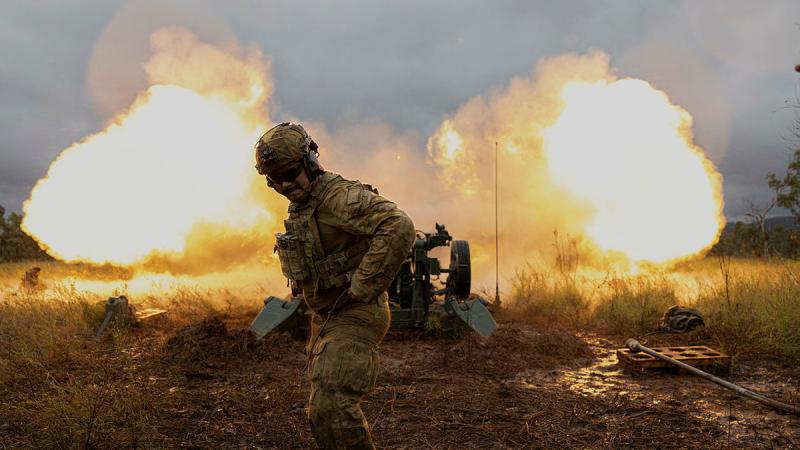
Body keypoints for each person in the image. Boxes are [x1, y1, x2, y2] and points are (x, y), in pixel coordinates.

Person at [254, 122, 416, 449]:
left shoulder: (338, 198)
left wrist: (363, 285)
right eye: (275, 180)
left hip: (354, 315)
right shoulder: (305, 204)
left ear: (310, 162)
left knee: (332, 410)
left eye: (289, 173)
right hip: (328, 318)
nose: (285, 184)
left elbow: (398, 225)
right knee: (324, 410)